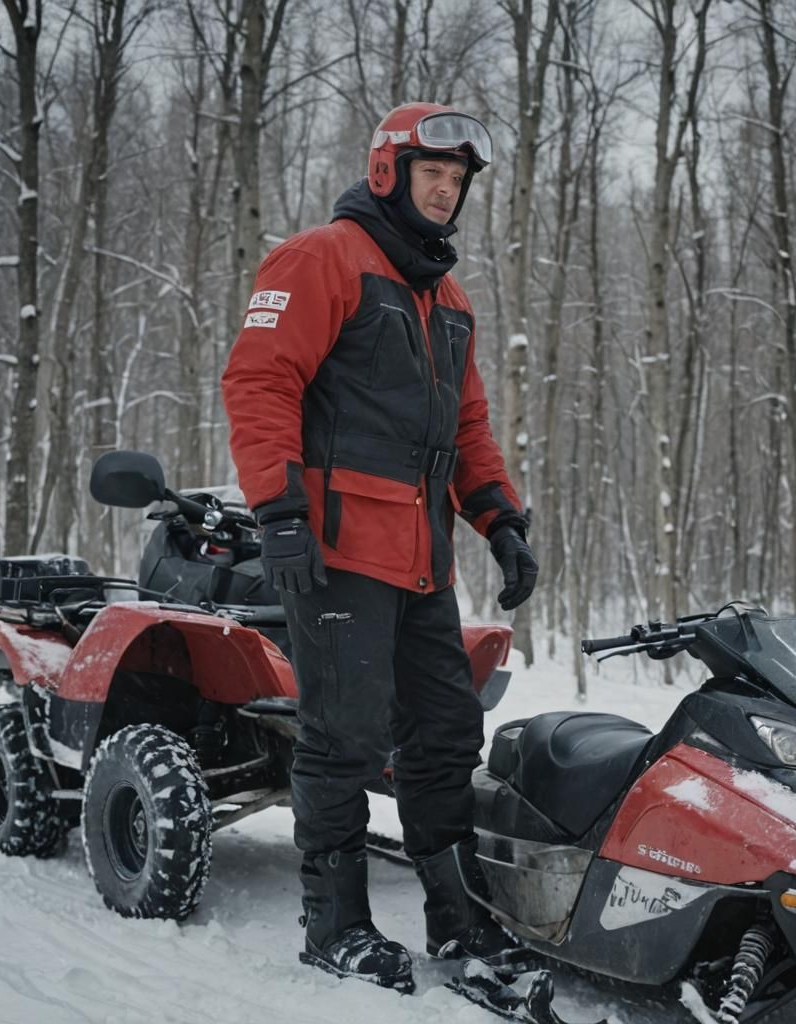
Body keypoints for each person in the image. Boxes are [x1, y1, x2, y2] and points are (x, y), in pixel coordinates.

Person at [221, 102, 538, 993]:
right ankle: (335, 926)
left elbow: (466, 426)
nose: (446, 190)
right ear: (390, 171)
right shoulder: (322, 257)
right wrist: (278, 510)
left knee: (444, 732)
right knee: (342, 737)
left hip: (421, 558)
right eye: (432, 173)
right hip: (334, 550)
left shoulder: (448, 294)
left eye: (458, 179)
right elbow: (258, 379)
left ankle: (458, 921)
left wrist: (500, 521)